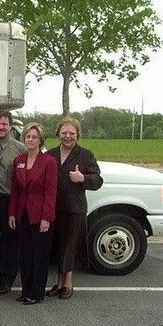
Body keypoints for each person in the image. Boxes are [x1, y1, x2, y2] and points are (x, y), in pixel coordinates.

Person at [46, 117, 103, 299]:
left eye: (72, 133)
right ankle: (58, 283)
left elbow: (98, 181)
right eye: (64, 133)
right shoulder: (50, 155)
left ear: (78, 134)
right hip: (53, 208)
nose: (68, 136)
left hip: (74, 209)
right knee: (57, 246)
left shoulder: (85, 155)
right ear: (58, 134)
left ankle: (68, 284)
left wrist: (83, 178)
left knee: (69, 246)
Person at [9, 123, 57, 305]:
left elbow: (51, 192)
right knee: (25, 254)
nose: (30, 140)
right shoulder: (18, 161)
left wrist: (46, 217)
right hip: (22, 214)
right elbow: (15, 190)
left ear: (40, 140)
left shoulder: (49, 162)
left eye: (34, 137)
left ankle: (36, 293)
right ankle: (25, 290)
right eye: (28, 136)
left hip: (40, 215)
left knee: (39, 255)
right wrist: (12, 213)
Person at [0, 110, 27, 295]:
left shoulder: (20, 149)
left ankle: (7, 279)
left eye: (4, 124)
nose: (1, 127)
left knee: (9, 243)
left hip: (9, 200)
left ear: (10, 126)